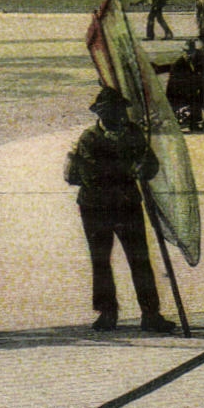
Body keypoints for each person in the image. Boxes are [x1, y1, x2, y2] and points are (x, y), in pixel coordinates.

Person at [64, 87, 175, 333]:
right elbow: (92, 175)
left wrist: (145, 167)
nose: (117, 115)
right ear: (100, 114)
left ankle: (150, 313)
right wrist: (129, 170)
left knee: (140, 259)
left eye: (119, 110)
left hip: (127, 206)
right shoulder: (89, 138)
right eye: (110, 111)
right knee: (101, 260)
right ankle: (107, 312)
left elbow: (151, 164)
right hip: (96, 208)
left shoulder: (133, 133)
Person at [159, 38, 204, 130]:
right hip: (178, 92)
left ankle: (194, 121)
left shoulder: (196, 62)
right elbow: (177, 83)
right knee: (192, 100)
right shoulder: (179, 64)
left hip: (189, 90)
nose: (189, 54)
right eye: (186, 52)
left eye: (191, 52)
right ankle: (187, 121)